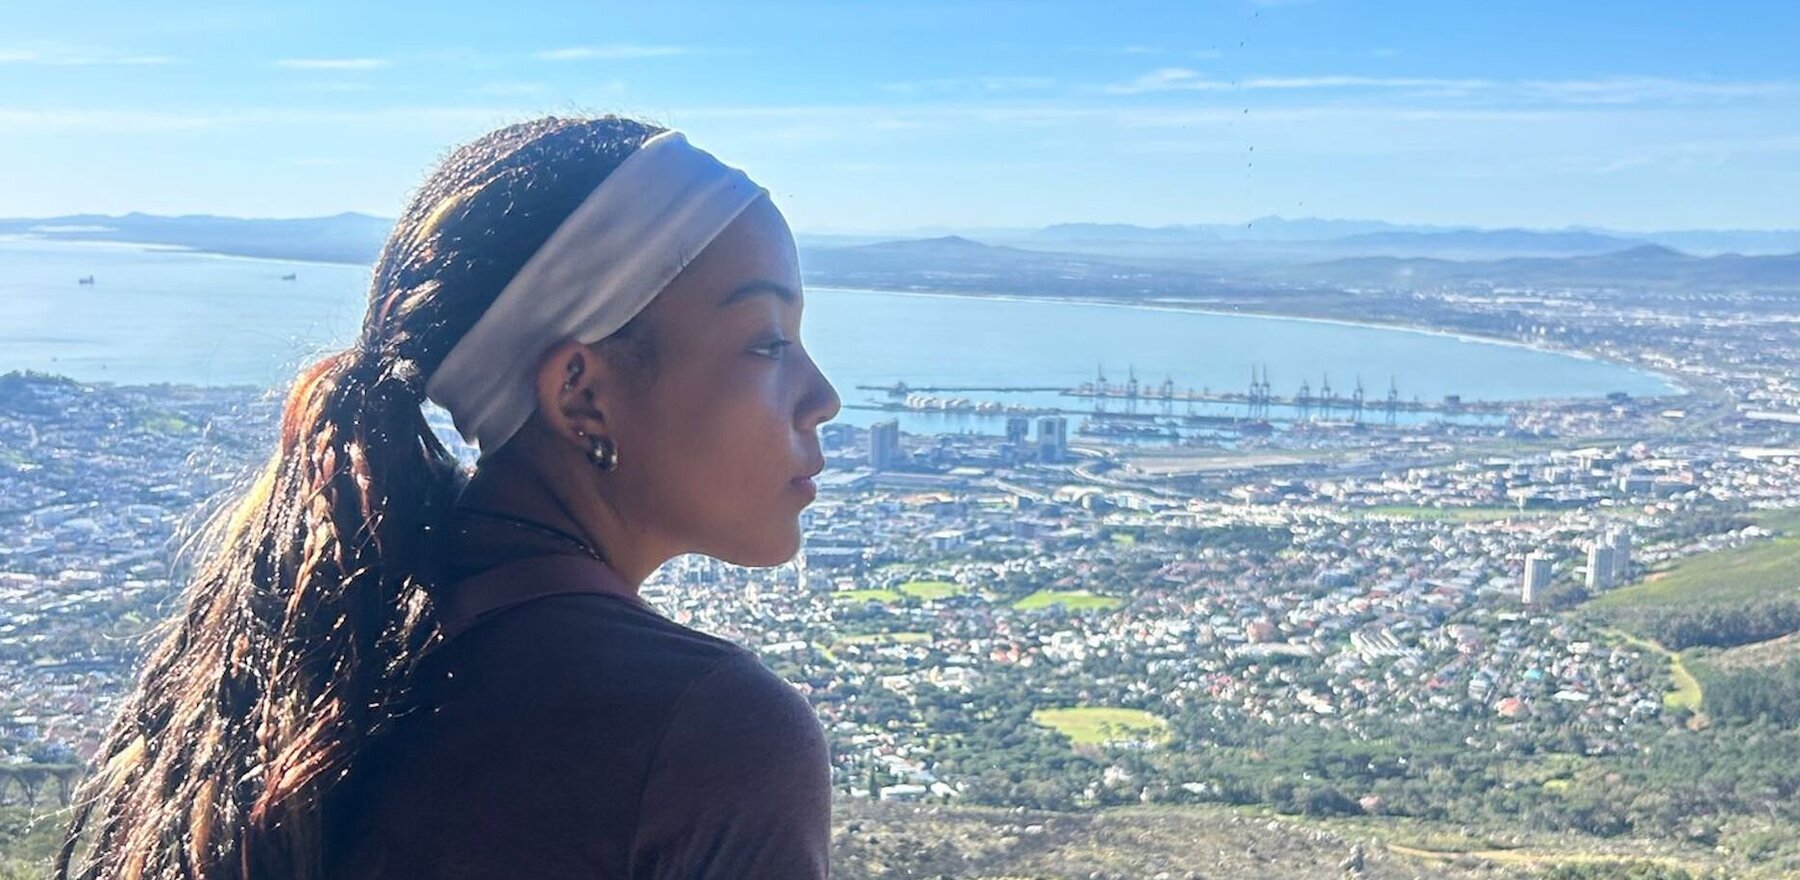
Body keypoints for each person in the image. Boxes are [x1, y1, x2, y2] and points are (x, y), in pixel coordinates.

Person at [54, 115, 842, 879]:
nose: (823, 397)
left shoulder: (339, 643)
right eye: (767, 341)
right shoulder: (705, 732)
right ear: (581, 395)